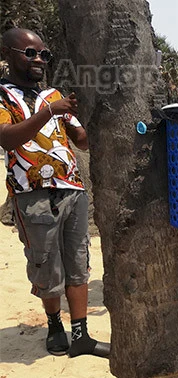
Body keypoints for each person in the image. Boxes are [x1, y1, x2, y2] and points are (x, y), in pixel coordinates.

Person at [0, 28, 110, 358]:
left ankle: (81, 335)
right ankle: (54, 325)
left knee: (78, 262)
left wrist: (85, 120)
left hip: (71, 189)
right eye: (30, 53)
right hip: (31, 193)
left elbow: (81, 141)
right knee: (46, 264)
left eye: (44, 55)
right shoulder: (3, 96)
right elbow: (6, 138)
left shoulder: (53, 95)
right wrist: (52, 111)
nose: (38, 60)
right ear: (7, 54)